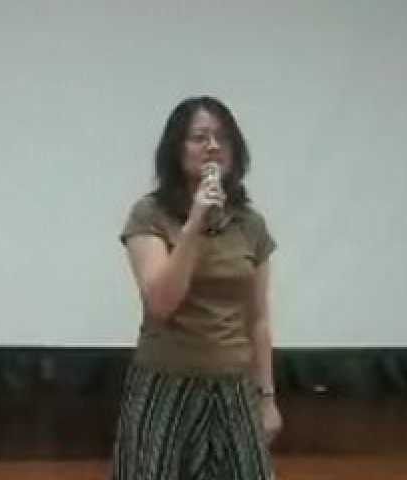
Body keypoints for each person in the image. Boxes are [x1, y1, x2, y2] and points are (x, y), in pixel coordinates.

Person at [110, 96, 281, 480]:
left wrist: (267, 398)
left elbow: (257, 320)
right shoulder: (150, 215)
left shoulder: (249, 224)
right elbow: (161, 302)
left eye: (223, 138)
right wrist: (194, 224)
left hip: (234, 389)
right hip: (165, 387)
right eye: (200, 137)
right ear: (176, 149)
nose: (213, 147)